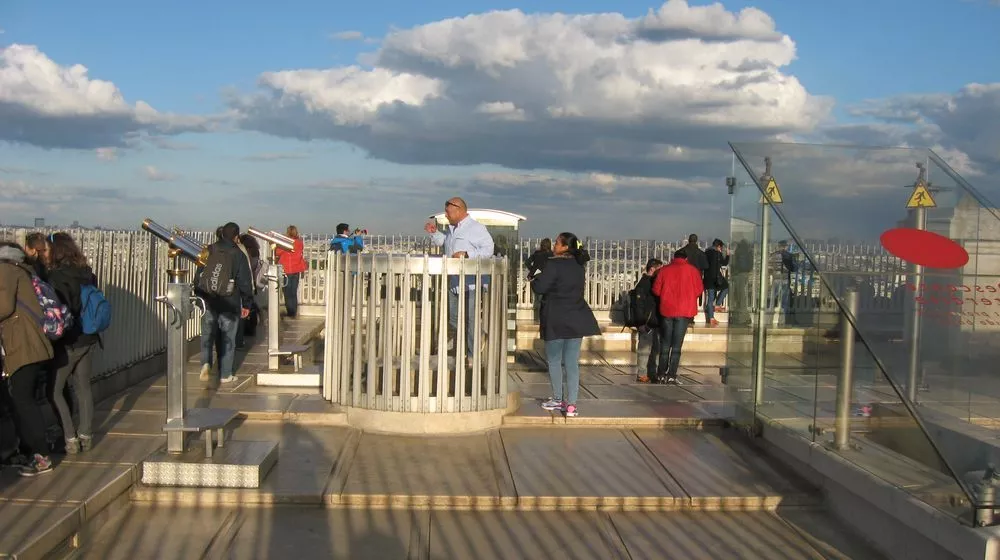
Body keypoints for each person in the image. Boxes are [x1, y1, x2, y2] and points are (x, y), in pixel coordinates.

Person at [0, 241, 56, 476]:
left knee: (22, 400)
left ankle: (41, 455)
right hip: (33, 344)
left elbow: (3, 307)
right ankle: (27, 450)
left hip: (23, 346)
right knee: (21, 399)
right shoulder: (23, 270)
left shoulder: (5, 271)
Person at [531, 232, 601, 417]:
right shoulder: (579, 265)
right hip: (576, 317)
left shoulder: (553, 264)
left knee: (554, 360)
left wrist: (534, 277)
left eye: (557, 242)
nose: (554, 245)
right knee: (571, 363)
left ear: (564, 247)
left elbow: (540, 287)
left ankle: (557, 398)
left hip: (555, 317)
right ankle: (571, 404)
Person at [45, 233, 102, 454]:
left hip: (69, 341)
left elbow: (59, 310)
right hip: (89, 337)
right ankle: (86, 435)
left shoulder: (57, 277)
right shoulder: (87, 273)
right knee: (83, 388)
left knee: (55, 390)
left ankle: (70, 437)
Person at [424, 197, 495, 358]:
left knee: (470, 320)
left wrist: (468, 255)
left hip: (471, 284)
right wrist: (434, 233)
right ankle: (468, 344)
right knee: (454, 319)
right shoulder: (453, 229)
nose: (446, 215)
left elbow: (488, 249)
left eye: (448, 212)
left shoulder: (476, 228)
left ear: (459, 209)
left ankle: (471, 355)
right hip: (454, 282)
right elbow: (446, 243)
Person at [194, 222, 253, 385]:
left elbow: (199, 276)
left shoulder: (209, 249)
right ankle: (225, 374)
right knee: (228, 338)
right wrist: (247, 304)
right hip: (229, 302)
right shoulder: (238, 254)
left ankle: (206, 362)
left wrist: (200, 297)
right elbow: (244, 282)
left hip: (208, 300)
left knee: (207, 336)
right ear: (236, 236)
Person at [651, 249, 704, 384]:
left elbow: (656, 290)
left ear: (674, 258)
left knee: (665, 343)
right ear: (686, 259)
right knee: (676, 346)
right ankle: (672, 375)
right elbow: (698, 290)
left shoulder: (664, 270)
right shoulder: (693, 271)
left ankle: (661, 374)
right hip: (684, 311)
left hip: (667, 310)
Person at [633, 258, 663, 383]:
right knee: (645, 348)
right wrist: (640, 323)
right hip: (646, 321)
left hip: (654, 320)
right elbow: (638, 305)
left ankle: (651, 372)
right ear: (652, 269)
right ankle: (642, 373)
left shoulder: (653, 282)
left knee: (655, 348)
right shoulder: (644, 284)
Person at [275, 225, 307, 318]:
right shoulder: (299, 243)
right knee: (293, 292)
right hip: (296, 269)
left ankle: (290, 312)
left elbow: (277, 252)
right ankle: (294, 311)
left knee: (287, 292)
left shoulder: (285, 243)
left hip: (287, 269)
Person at [703, 239, 730, 327]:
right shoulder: (717, 254)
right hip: (716, 278)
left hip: (707, 278)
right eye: (721, 248)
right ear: (719, 246)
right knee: (726, 288)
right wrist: (728, 255)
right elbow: (724, 263)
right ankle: (717, 304)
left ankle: (711, 318)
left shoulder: (706, 252)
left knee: (710, 298)